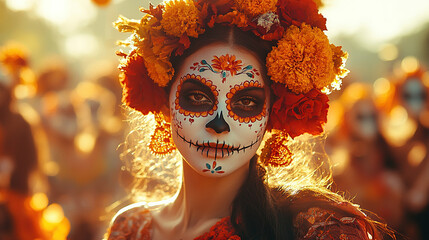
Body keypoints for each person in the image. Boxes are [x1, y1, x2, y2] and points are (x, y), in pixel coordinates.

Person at [106, 0, 393, 239]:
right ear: (166, 102)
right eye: (197, 97)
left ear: (271, 114)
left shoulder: (314, 230)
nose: (219, 124)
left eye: (246, 103)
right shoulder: (130, 228)